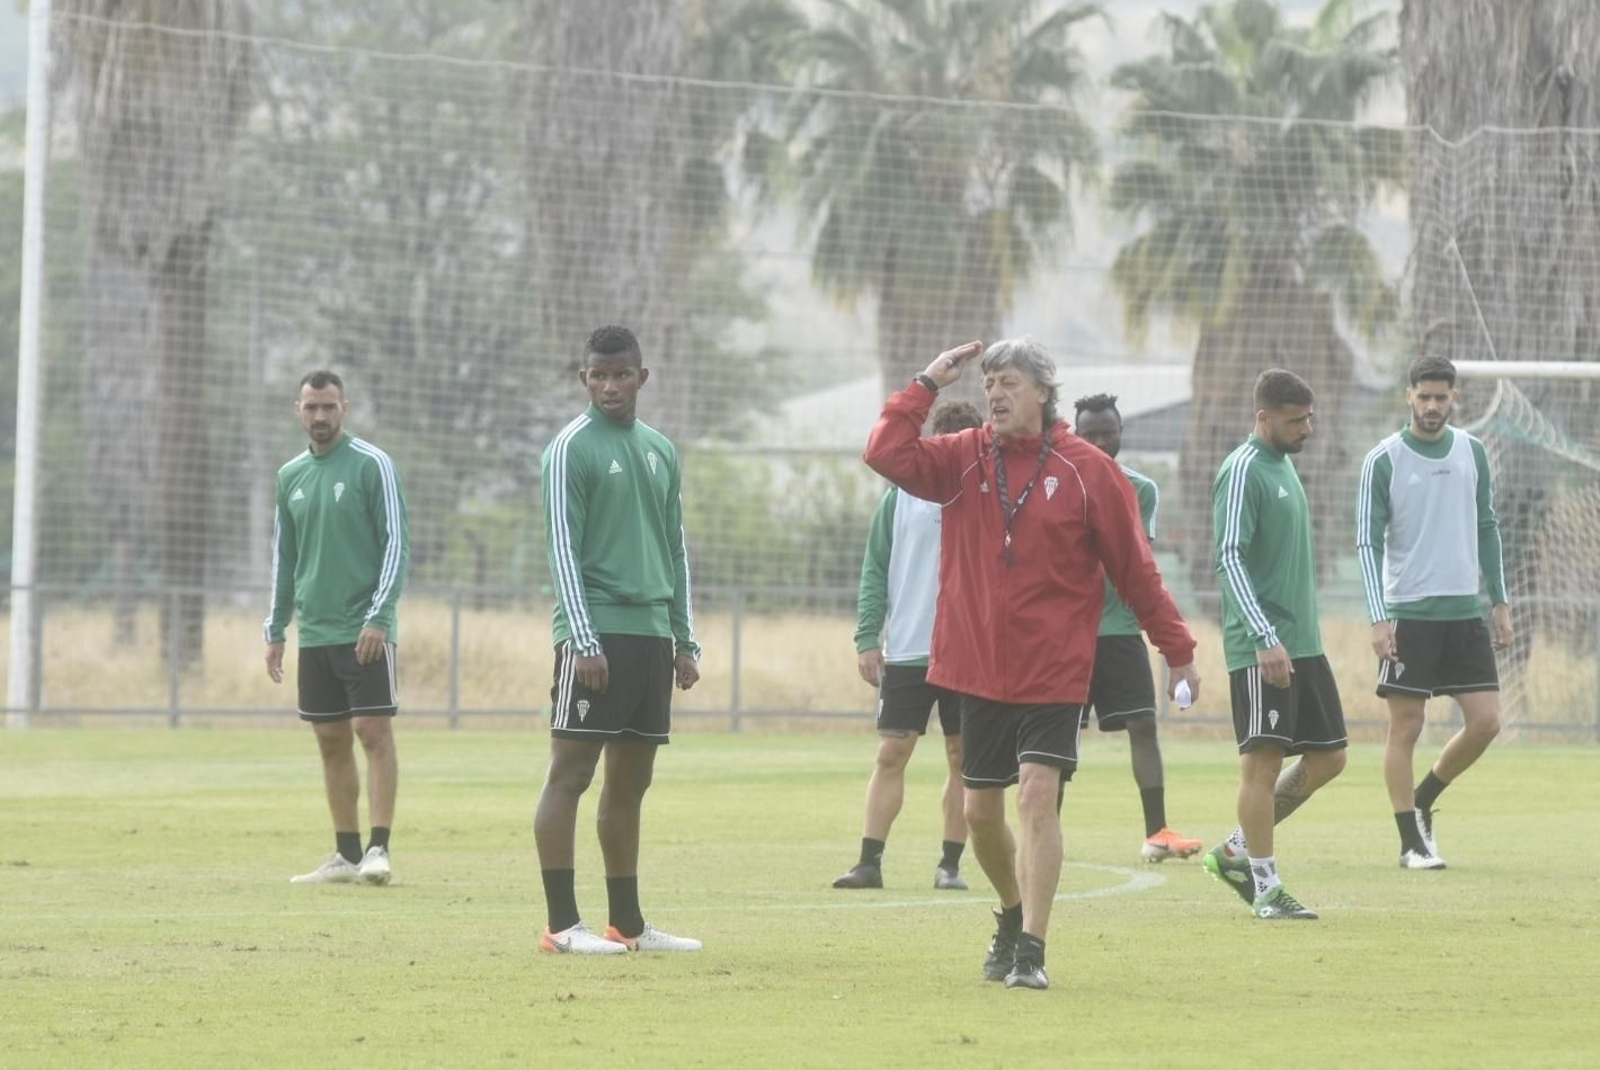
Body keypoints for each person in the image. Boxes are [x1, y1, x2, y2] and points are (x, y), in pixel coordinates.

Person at [864, 338, 1199, 991]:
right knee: (982, 814)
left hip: (1054, 671)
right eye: (989, 382)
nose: (994, 393)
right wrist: (926, 383)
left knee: (1039, 798)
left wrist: (1178, 651)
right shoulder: (959, 458)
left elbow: (1137, 573)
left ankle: (1032, 952)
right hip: (973, 667)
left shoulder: (1087, 471)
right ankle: (1012, 915)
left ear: (1044, 392)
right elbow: (884, 453)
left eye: (1009, 382)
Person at [536, 325, 702, 955]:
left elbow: (674, 549)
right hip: (595, 634)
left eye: (621, 375)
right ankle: (560, 926)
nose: (610, 386)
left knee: (631, 782)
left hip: (650, 637)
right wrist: (583, 639)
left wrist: (684, 640)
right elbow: (562, 551)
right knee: (570, 776)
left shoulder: (660, 450)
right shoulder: (568, 449)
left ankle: (627, 925)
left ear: (642, 377)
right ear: (584, 378)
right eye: (598, 375)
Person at [1203, 369, 1347, 921]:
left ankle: (1239, 849)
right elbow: (1229, 557)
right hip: (1263, 646)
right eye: (1295, 420)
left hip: (1302, 644)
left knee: (1330, 757)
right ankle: (1265, 887)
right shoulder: (1242, 470)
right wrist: (1264, 637)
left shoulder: (1284, 465)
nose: (1306, 428)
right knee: (1260, 769)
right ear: (1264, 417)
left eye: (1309, 418)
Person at [1357, 354, 1510, 870]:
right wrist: (1378, 617)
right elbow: (1365, 543)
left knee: (1487, 722)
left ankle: (1423, 798)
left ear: (1454, 399)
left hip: (1465, 613)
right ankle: (1410, 841)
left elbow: (1487, 526)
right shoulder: (1384, 459)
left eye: (1441, 397)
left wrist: (1500, 601)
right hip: (1408, 614)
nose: (1432, 406)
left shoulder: (1472, 451)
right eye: (1423, 396)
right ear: (1409, 396)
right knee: (1407, 726)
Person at [265, 370, 409, 886]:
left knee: (372, 732)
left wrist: (379, 616)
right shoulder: (290, 477)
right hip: (317, 633)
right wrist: (276, 627)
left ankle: (379, 848)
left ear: (343, 408)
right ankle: (345, 856)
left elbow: (397, 543)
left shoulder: (373, 464)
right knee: (329, 740)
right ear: (297, 410)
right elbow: (286, 557)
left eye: (328, 407)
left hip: (364, 629)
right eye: (311, 408)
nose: (320, 416)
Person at [834, 400, 983, 893]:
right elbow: (876, 569)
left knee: (963, 756)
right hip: (910, 650)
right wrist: (866, 637)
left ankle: (950, 865)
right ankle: (868, 862)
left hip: (970, 651)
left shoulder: (989, 498)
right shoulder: (899, 500)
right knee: (892, 751)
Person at [1071, 394, 1202, 863]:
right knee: (1057, 737)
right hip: (1067, 633)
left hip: (1120, 628)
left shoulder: (1140, 489)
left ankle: (1157, 832)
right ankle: (1042, 829)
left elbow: (1133, 563)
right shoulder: (1060, 484)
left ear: (1121, 432)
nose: (1100, 441)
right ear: (1074, 434)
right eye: (1090, 434)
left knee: (1143, 724)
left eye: (1108, 432)